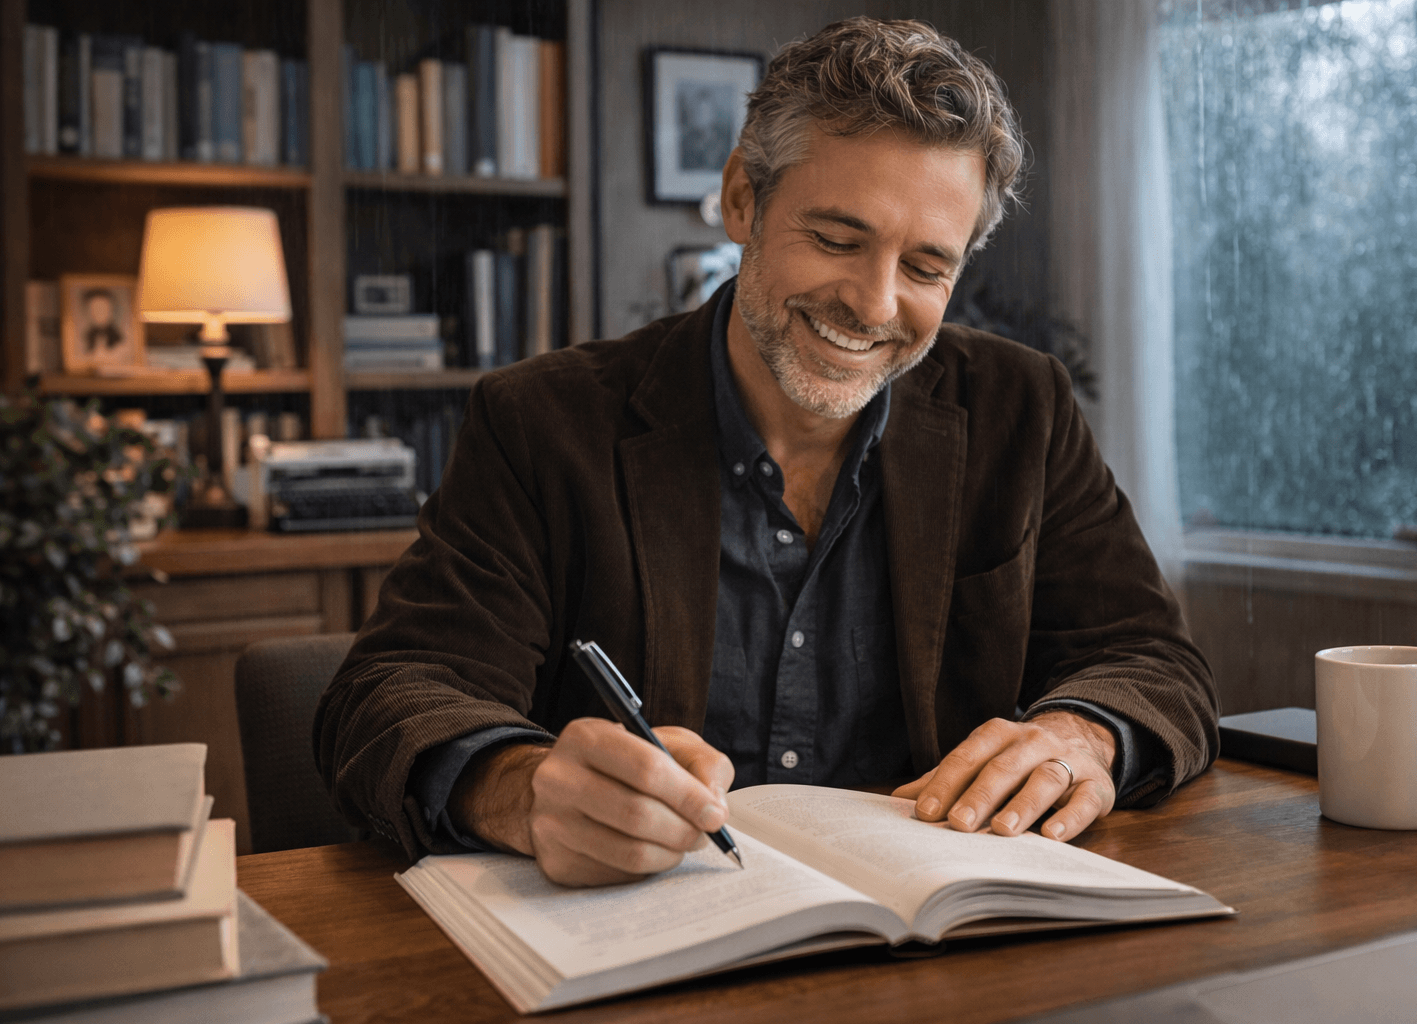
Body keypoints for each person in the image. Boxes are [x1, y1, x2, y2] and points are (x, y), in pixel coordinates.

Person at [316, 17, 1217, 888]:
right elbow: (393, 690)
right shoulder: (542, 422)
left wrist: (1083, 736)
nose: (873, 305)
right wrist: (517, 787)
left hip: (941, 939)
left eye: (925, 268)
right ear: (743, 198)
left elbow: (1153, 661)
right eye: (836, 239)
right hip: (641, 942)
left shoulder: (1022, 409)